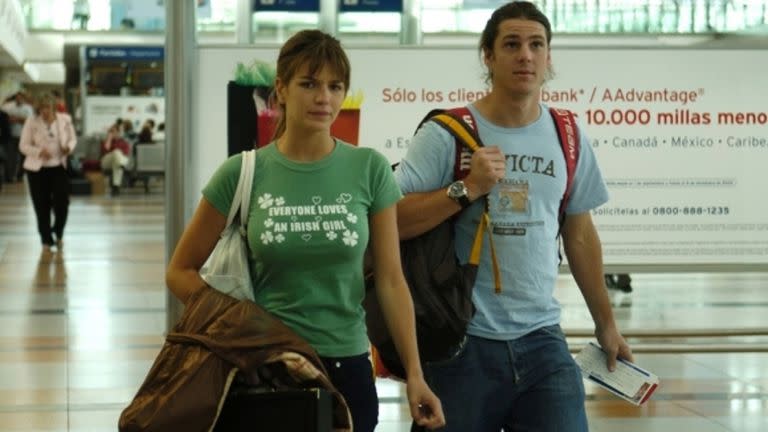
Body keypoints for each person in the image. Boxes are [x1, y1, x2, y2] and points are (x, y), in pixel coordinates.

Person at [165, 29, 445, 432]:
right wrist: (240, 324)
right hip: (268, 367)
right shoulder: (243, 172)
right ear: (280, 88)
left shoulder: (369, 169)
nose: (324, 98)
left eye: (335, 86)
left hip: (347, 367)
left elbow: (390, 279)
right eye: (309, 84)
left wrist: (415, 375)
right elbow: (180, 271)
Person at [394, 2, 633, 431]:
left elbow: (579, 235)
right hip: (462, 344)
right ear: (488, 56)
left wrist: (607, 325)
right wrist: (467, 188)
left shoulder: (568, 134)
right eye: (512, 44)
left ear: (548, 57)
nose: (525, 55)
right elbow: (390, 220)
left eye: (536, 45)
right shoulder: (449, 133)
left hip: (543, 341)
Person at [19, 93, 77, 252]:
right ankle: (45, 238)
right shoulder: (31, 121)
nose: (45, 111)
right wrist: (38, 152)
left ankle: (58, 232)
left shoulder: (65, 120)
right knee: (41, 205)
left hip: (59, 167)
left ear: (53, 107)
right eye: (42, 108)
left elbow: (72, 139)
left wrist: (69, 148)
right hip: (37, 170)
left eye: (48, 108)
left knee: (62, 204)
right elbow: (23, 146)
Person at [1, 92, 35, 182]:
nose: (19, 99)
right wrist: (17, 119)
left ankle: (20, 175)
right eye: (17, 98)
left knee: (23, 157)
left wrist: (17, 119)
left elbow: (29, 121)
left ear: (23, 99)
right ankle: (10, 176)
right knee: (11, 157)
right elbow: (4, 117)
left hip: (24, 136)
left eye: (21, 98)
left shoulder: (28, 108)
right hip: (11, 136)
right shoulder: (8, 106)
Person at [100, 124, 132, 195]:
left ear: (118, 132)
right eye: (110, 131)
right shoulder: (105, 141)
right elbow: (105, 151)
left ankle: (116, 187)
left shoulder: (124, 142)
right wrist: (109, 139)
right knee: (116, 152)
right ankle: (121, 164)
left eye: (113, 131)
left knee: (117, 161)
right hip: (107, 161)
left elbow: (126, 154)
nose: (112, 133)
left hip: (118, 161)